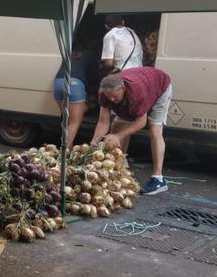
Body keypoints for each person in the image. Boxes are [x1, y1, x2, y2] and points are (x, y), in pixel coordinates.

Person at [91, 67, 173, 195]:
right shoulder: (105, 93)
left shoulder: (136, 92)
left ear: (122, 88)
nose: (111, 100)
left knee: (154, 130)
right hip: (142, 85)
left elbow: (141, 122)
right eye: (109, 97)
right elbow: (103, 121)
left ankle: (158, 179)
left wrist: (118, 136)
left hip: (159, 86)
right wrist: (94, 143)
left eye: (114, 96)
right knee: (117, 125)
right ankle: (120, 167)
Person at [52, 46, 95, 148]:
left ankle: (69, 149)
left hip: (57, 82)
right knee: (74, 122)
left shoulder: (68, 52)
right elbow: (94, 76)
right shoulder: (90, 53)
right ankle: (63, 153)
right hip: (74, 83)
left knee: (67, 120)